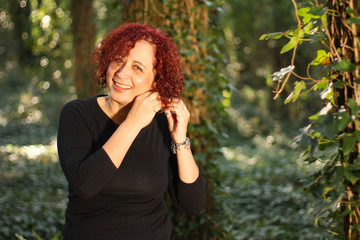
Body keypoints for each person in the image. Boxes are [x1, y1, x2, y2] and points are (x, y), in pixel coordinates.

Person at [57, 22, 205, 240]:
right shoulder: (77, 114)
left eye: (138, 67)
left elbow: (192, 204)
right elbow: (86, 185)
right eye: (118, 59)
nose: (121, 73)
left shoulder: (164, 125)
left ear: (157, 81)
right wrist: (133, 123)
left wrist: (180, 139)